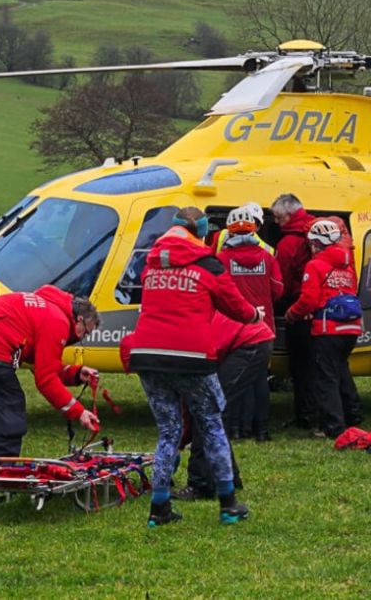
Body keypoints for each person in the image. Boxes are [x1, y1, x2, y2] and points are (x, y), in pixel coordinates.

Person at [126, 206, 263, 527]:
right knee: (212, 424)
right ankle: (228, 505)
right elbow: (237, 308)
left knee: (168, 431)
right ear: (201, 232)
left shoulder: (151, 265)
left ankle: (158, 508)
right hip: (192, 358)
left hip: (147, 354)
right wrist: (255, 315)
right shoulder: (207, 265)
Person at [0, 285, 101, 458]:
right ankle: (3, 464)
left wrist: (75, 373)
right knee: (10, 405)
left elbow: (44, 365)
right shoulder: (58, 321)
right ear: (79, 319)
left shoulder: (50, 309)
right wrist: (78, 412)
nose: (81, 338)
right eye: (85, 333)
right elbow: (46, 380)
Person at [174, 312, 275, 502]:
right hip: (247, 339)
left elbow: (189, 405)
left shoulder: (180, 348)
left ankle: (200, 484)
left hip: (249, 343)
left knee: (207, 412)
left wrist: (178, 442)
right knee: (212, 413)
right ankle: (230, 477)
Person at [285, 219, 363, 439]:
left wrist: (292, 313)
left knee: (326, 378)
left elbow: (308, 299)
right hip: (351, 328)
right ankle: (354, 414)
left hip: (328, 328)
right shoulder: (347, 263)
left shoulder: (315, 265)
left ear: (316, 244)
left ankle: (333, 426)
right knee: (342, 372)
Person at [216, 206, 283, 442]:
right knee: (259, 379)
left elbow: (217, 292)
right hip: (264, 328)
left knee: (233, 380)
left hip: (232, 327)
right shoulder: (268, 256)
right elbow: (278, 289)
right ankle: (261, 430)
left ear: (230, 232)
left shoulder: (221, 259)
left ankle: (234, 428)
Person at [271, 193, 316, 429]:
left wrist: (278, 304)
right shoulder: (313, 230)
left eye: (278, 218)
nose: (276, 223)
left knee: (300, 365)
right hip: (320, 312)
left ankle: (305, 415)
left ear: (289, 215)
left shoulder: (288, 243)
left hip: (299, 308)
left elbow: (282, 281)